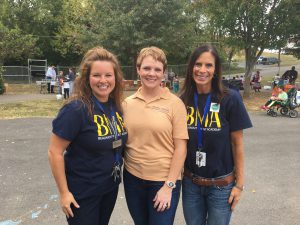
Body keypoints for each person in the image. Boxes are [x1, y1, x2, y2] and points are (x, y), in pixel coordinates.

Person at [48, 47, 128, 225]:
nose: (103, 80)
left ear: (115, 77)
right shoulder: (76, 109)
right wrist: (64, 193)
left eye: (108, 75)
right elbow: (55, 152)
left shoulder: (115, 107)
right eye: (96, 75)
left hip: (109, 187)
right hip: (83, 193)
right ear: (86, 78)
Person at [180, 44, 252, 225]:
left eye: (208, 65)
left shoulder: (230, 98)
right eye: (198, 64)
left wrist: (239, 185)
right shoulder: (182, 100)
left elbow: (238, 144)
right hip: (191, 185)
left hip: (221, 186)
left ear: (216, 69)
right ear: (191, 67)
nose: (202, 70)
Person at [122, 46, 188, 225]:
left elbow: (181, 148)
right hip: (132, 179)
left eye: (157, 69)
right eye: (147, 68)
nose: (152, 73)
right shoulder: (127, 104)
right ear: (138, 70)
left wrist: (169, 186)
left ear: (164, 73)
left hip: (163, 181)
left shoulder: (175, 104)